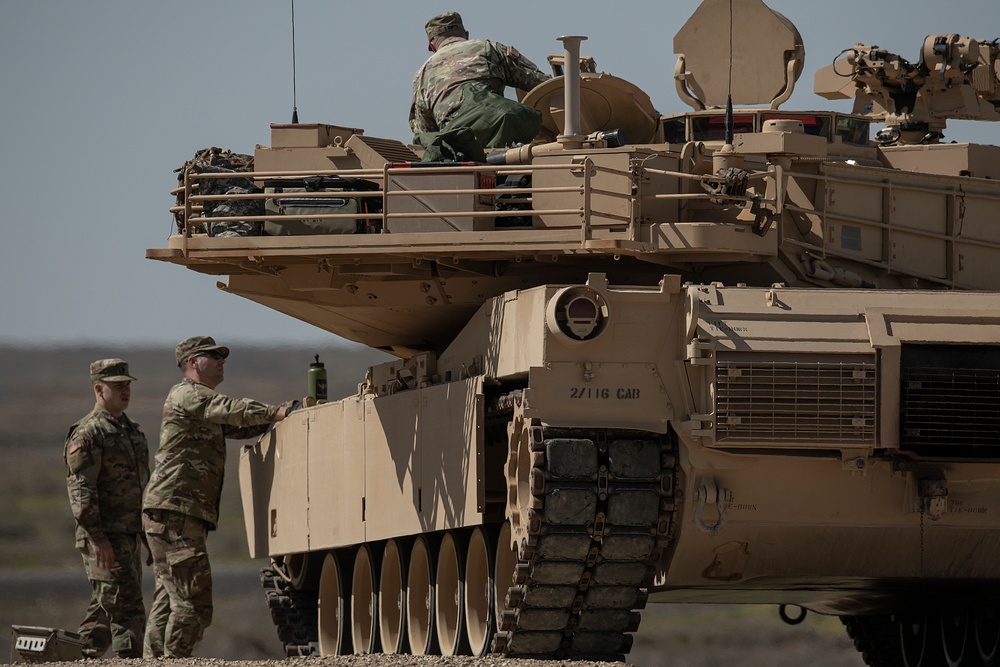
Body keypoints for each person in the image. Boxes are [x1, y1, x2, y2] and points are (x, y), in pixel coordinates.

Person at [142, 336, 297, 658]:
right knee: (193, 601)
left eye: (221, 356)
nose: (221, 360)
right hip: (175, 510)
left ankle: (154, 660)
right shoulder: (188, 394)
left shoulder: (201, 406)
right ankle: (174, 661)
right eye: (212, 356)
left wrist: (279, 418)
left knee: (170, 598)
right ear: (191, 362)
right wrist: (277, 411)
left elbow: (238, 426)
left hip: (175, 511)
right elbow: (230, 410)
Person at [65, 358, 150, 659]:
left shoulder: (131, 431)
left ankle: (77, 658)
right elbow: (81, 490)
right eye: (117, 386)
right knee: (128, 611)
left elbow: (143, 486)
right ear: (99, 389)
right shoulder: (88, 433)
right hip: (104, 537)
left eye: (127, 385)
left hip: (128, 534)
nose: (125, 391)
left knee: (104, 609)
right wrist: (98, 538)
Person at [409, 11, 551, 162]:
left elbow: (424, 131)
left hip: (459, 145)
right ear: (466, 34)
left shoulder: (421, 75)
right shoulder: (489, 48)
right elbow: (541, 82)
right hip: (500, 127)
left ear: (432, 45)